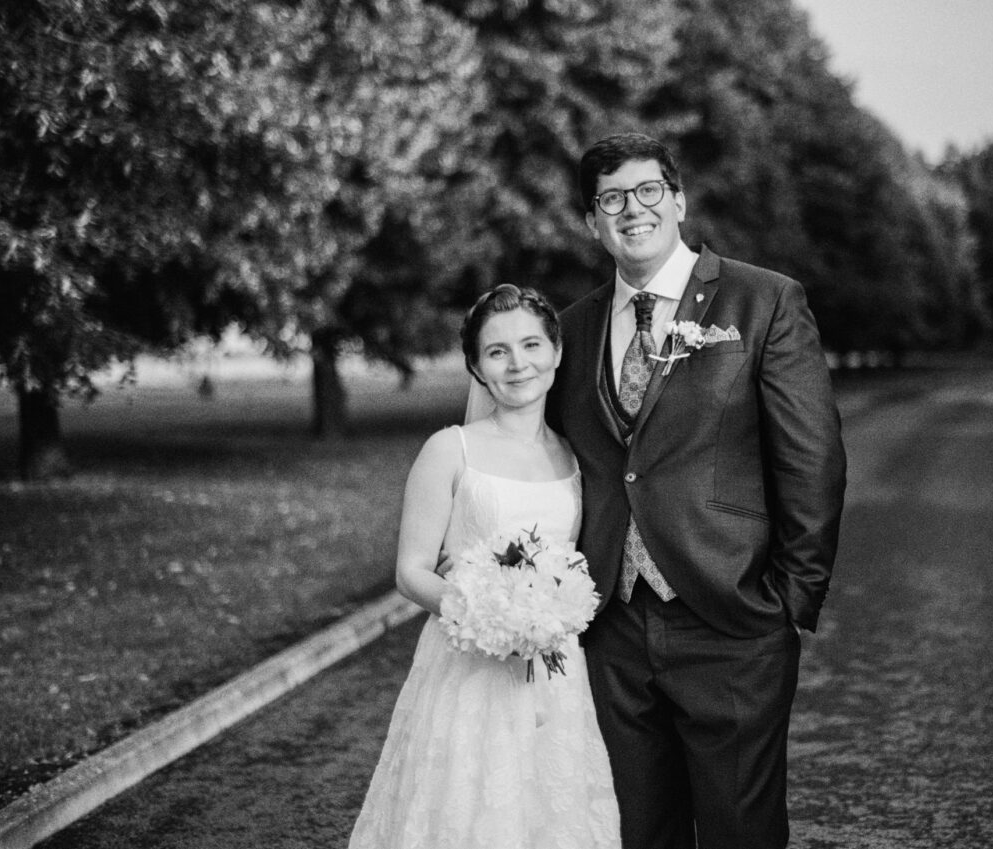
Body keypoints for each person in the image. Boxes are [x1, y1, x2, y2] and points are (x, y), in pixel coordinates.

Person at [547, 133, 847, 849]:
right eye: (611, 198)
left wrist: (789, 603)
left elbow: (813, 458)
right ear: (593, 221)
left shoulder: (763, 299)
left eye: (648, 190)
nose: (632, 209)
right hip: (612, 631)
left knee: (740, 832)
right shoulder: (569, 329)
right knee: (633, 833)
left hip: (734, 619)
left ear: (678, 199)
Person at [347, 284, 620, 849]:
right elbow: (412, 571)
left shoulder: (574, 456)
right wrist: (491, 617)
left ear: (556, 352)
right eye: (497, 352)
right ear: (476, 366)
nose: (518, 364)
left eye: (531, 345)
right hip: (467, 667)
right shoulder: (451, 449)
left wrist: (543, 620)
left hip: (556, 674)